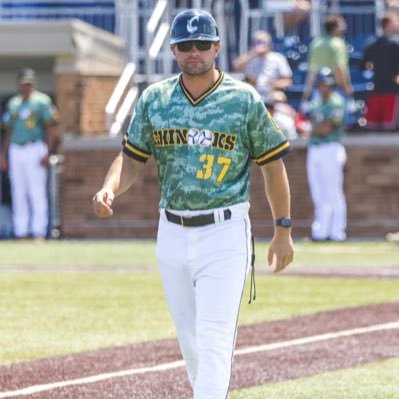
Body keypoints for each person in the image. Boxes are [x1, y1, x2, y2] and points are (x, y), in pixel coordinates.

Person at [92, 9, 294, 399]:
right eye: (185, 45)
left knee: (215, 336)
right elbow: (133, 157)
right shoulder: (156, 98)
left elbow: (273, 167)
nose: (194, 52)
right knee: (191, 342)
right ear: (173, 50)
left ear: (217, 47)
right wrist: (109, 188)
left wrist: (282, 229)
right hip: (171, 230)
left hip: (225, 229)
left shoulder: (243, 99)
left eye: (203, 44)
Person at [0, 68, 59, 240]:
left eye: (29, 83)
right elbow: (8, 130)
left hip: (35, 147)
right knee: (18, 191)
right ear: (19, 84)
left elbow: (51, 127)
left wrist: (48, 151)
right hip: (16, 149)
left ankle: (38, 231)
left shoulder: (42, 101)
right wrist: (3, 155)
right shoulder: (14, 103)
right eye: (24, 83)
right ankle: (21, 231)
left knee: (37, 191)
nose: (27, 86)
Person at [306, 68, 347, 242]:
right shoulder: (316, 102)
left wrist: (310, 130)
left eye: (327, 84)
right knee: (317, 192)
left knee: (333, 191)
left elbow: (326, 128)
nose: (324, 87)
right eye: (322, 84)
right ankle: (321, 231)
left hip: (331, 148)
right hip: (315, 149)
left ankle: (337, 232)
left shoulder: (336, 102)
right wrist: (312, 130)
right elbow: (314, 125)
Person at [301, 14, 353, 104]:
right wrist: (346, 88)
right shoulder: (338, 44)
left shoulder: (316, 43)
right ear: (334, 28)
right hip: (334, 91)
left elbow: (312, 70)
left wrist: (306, 94)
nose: (344, 28)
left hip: (318, 91)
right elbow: (338, 68)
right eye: (341, 25)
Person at [360, 12, 399, 131]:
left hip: (376, 90)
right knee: (389, 129)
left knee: (374, 128)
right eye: (396, 21)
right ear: (388, 25)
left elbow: (363, 65)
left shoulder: (371, 44)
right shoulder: (396, 44)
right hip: (392, 91)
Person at [232, 30, 293, 102]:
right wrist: (252, 53)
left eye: (263, 42)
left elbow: (287, 81)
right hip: (253, 91)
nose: (260, 45)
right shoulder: (250, 58)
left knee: (279, 97)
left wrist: (274, 83)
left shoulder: (278, 58)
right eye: (258, 42)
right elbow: (236, 66)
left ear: (269, 44)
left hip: (272, 92)